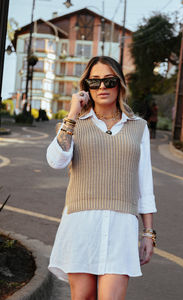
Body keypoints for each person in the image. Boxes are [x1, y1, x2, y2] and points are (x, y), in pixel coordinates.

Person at [46, 56, 157, 300]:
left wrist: (148, 233)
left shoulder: (138, 127)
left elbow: (144, 184)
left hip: (121, 228)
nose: (102, 87)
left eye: (109, 80)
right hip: (80, 226)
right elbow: (56, 161)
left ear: (120, 84)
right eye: (94, 82)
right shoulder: (73, 125)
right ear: (86, 87)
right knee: (83, 296)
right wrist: (73, 112)